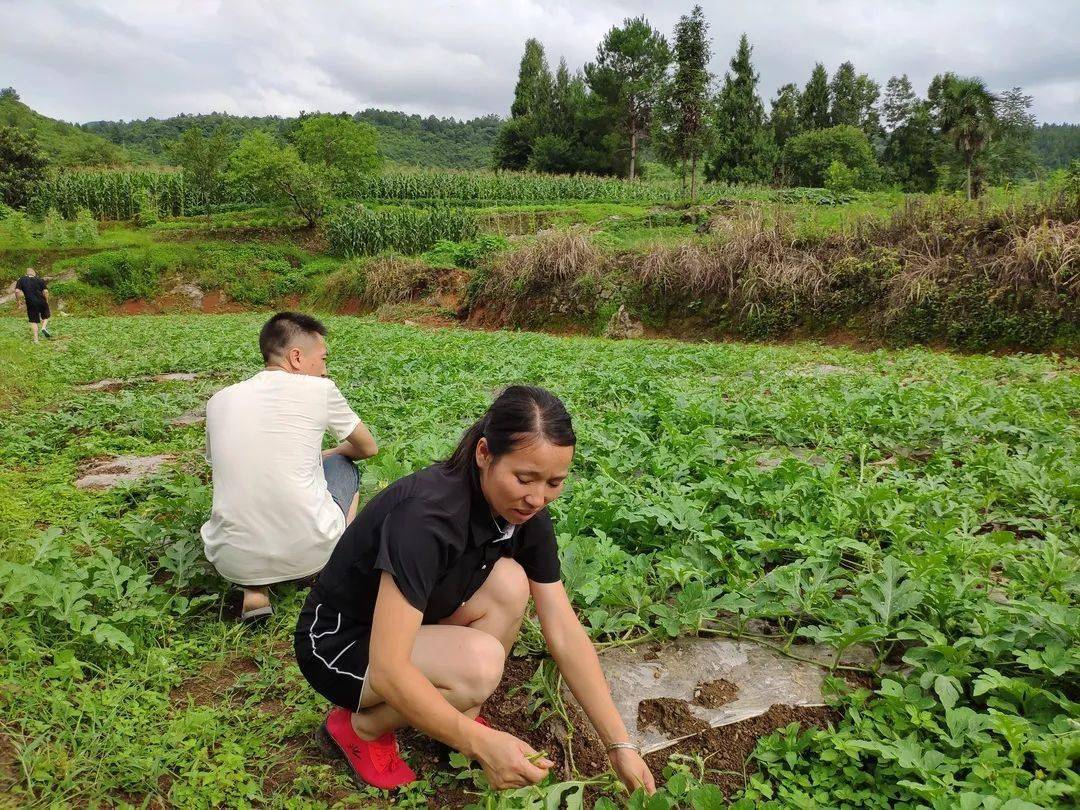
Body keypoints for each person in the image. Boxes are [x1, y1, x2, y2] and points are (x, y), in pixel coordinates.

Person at [294, 386, 656, 795]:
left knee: (510, 582)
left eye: (555, 482)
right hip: (340, 643)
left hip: (408, 619)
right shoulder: (427, 517)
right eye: (524, 478)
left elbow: (563, 628)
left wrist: (619, 743)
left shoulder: (523, 510)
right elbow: (389, 668)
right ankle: (363, 727)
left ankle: (457, 711)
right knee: (480, 665)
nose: (538, 497)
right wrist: (481, 744)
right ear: (484, 454)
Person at [201, 312, 378, 621]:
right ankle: (336, 563)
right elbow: (368, 447)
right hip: (311, 553)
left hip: (231, 559)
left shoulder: (219, 399)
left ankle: (254, 591)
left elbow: (220, 464)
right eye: (323, 359)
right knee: (343, 464)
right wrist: (329, 453)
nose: (324, 369)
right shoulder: (320, 390)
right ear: (297, 357)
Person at [14, 268, 52, 343]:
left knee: (33, 321)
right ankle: (43, 328)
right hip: (42, 301)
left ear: (26, 273)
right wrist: (46, 301)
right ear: (34, 273)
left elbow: (17, 291)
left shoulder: (21, 279)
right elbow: (46, 291)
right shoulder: (39, 279)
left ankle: (36, 340)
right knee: (46, 316)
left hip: (31, 303)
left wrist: (18, 301)